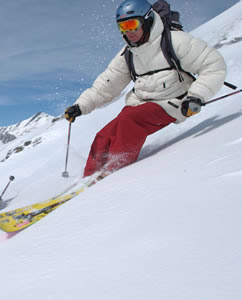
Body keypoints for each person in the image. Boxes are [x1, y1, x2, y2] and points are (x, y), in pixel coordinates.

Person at [64, 0, 226, 177]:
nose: (128, 32)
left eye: (132, 24)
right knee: (104, 135)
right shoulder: (128, 54)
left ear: (147, 20)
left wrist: (196, 96)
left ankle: (114, 173)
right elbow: (107, 85)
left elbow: (214, 65)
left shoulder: (175, 41)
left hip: (174, 102)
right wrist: (81, 106)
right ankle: (89, 177)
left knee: (129, 120)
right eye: (123, 27)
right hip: (142, 103)